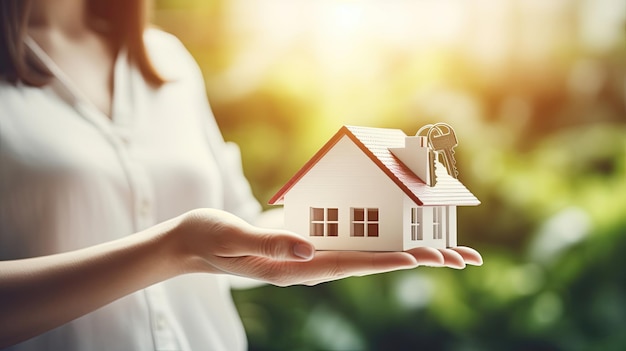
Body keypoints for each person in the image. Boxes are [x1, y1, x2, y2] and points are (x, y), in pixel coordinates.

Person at [0, 0, 482, 350]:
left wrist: (370, 211)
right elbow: (197, 243)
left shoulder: (168, 61)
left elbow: (239, 228)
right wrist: (174, 250)